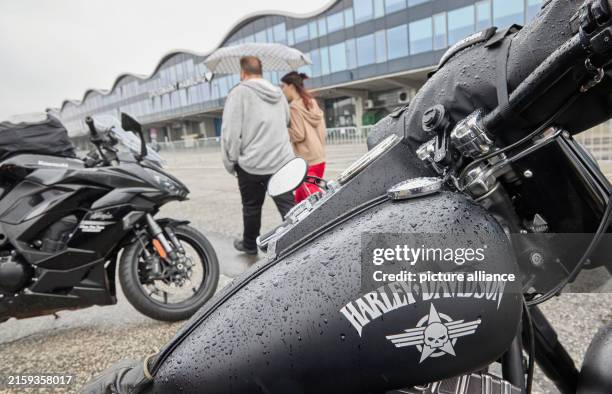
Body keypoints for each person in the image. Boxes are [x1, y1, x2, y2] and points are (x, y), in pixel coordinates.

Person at [221, 56, 295, 255]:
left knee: (252, 207)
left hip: (251, 165)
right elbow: (287, 120)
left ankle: (250, 245)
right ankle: (301, 240)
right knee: (288, 206)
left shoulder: (238, 93)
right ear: (261, 72)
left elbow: (230, 133)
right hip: (280, 161)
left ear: (242, 73)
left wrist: (231, 161)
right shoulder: (278, 93)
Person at [280, 72, 326, 203]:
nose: (282, 90)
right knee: (300, 198)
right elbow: (322, 131)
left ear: (291, 87)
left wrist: (285, 129)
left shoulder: (294, 107)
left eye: (283, 86)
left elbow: (299, 134)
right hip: (319, 157)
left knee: (315, 199)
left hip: (307, 161)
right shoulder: (311, 102)